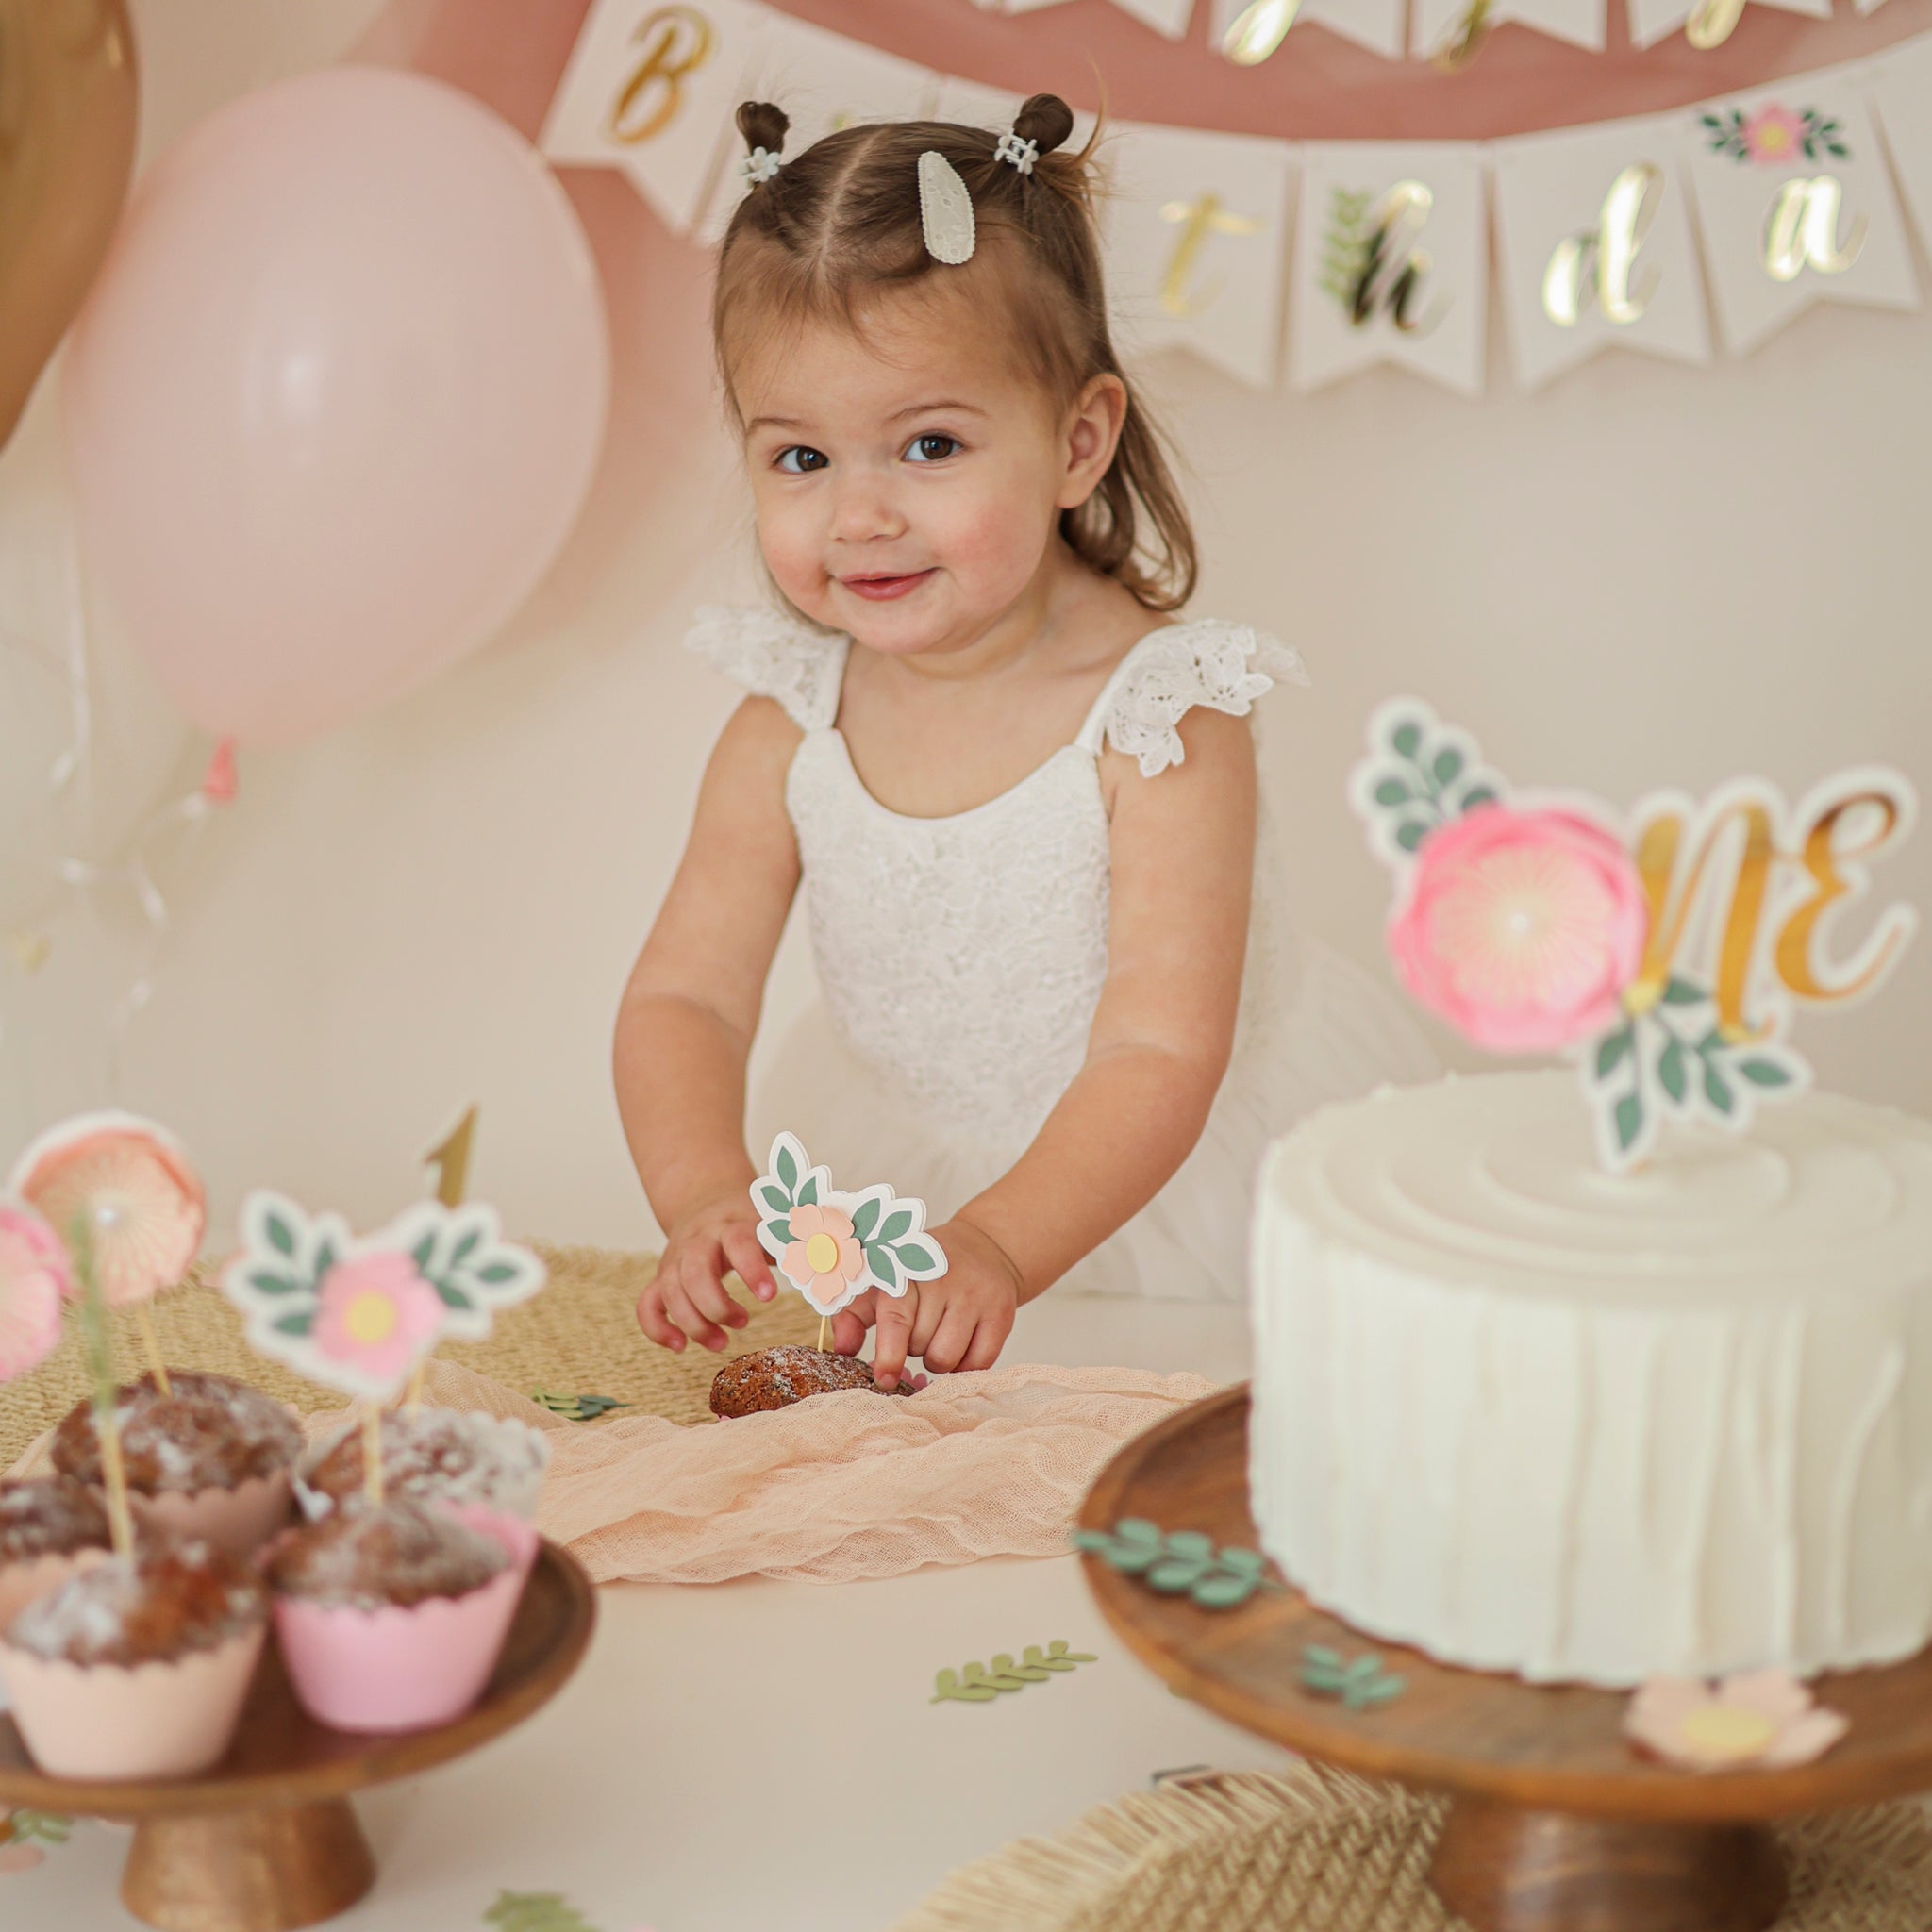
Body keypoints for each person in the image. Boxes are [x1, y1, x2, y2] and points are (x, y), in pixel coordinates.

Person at [615, 93, 1433, 1389]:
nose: (860, 514)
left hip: (1184, 1187)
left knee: (1193, 1436)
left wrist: (996, 1239)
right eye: (800, 458)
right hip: (906, 1183)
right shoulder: (788, 718)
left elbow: (1157, 1050)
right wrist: (704, 1194)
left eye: (928, 444)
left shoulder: (1161, 716)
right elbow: (688, 998)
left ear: (1078, 441)